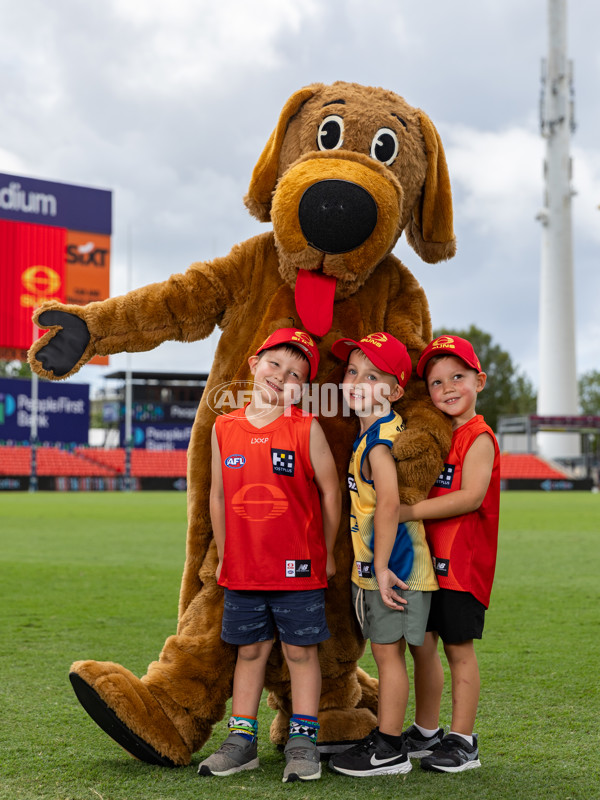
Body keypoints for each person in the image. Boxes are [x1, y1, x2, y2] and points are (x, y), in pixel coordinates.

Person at [197, 328, 341, 783]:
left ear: (304, 388)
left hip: (298, 568)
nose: (283, 377)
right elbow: (218, 497)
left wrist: (327, 552)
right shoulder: (224, 428)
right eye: (275, 365)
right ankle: (242, 743)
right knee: (251, 651)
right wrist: (223, 553)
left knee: (300, 653)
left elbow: (331, 492)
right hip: (243, 569)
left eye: (296, 374)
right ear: (254, 363)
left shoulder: (306, 427)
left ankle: (303, 742)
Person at [327, 332, 439, 778]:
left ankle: (389, 749)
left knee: (388, 654)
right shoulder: (372, 431)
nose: (357, 381)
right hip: (392, 565)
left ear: (394, 391)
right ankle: (416, 735)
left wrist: (381, 566)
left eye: (372, 376)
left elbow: (390, 503)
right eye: (352, 372)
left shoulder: (378, 442)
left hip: (395, 568)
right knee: (406, 651)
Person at [397, 334, 500, 773]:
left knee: (458, 648)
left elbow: (471, 497)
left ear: (478, 380)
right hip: (425, 561)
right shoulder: (432, 436)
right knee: (421, 644)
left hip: (462, 564)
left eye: (457, 376)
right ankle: (425, 732)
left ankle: (462, 739)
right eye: (437, 382)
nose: (448, 388)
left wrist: (410, 511)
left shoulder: (478, 436)